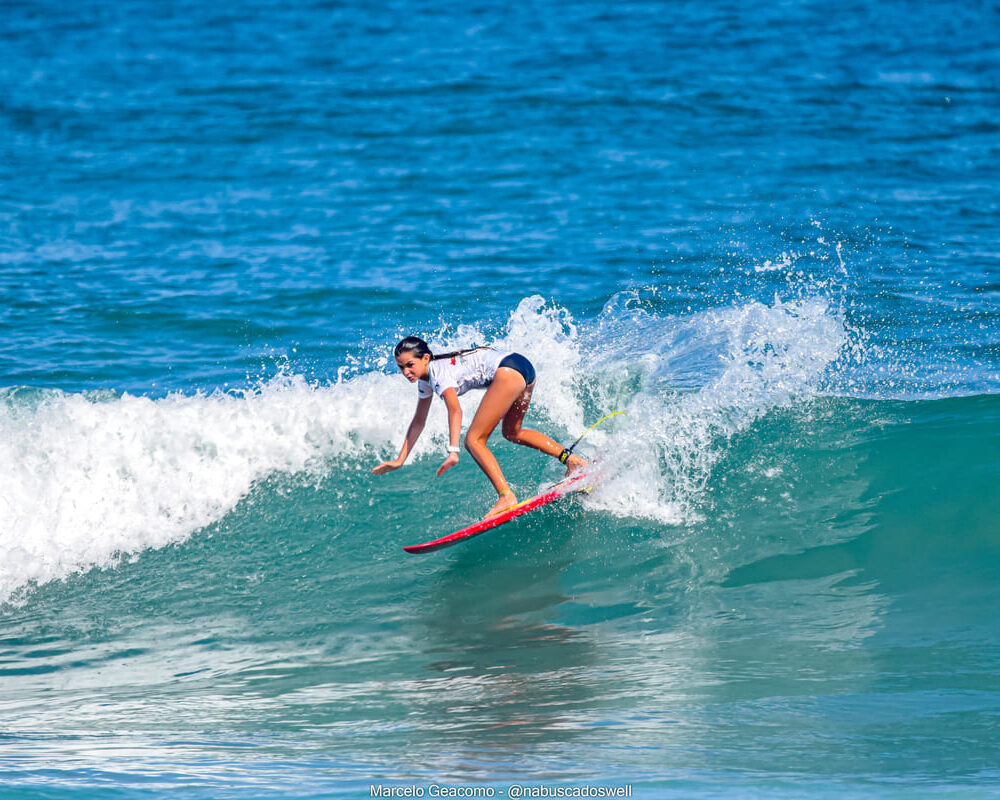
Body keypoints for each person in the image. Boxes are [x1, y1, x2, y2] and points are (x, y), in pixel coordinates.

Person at [372, 336, 586, 519]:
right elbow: (419, 420)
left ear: (425, 358)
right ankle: (574, 461)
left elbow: (455, 410)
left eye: (410, 365)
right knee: (513, 432)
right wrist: (400, 459)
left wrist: (453, 451)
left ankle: (506, 496)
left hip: (508, 370)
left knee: (473, 440)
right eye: (401, 367)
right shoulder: (425, 381)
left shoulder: (437, 373)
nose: (406, 371)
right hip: (523, 367)